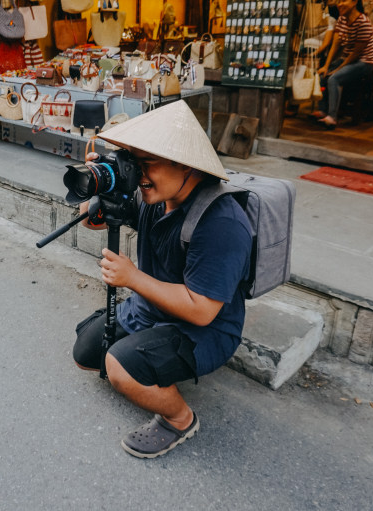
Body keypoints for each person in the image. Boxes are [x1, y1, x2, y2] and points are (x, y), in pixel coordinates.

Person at [72, 101, 253, 459]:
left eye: (147, 163)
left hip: (204, 330)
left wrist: (133, 278)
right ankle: (144, 358)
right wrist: (97, 201)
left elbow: (202, 311)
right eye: (134, 162)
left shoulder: (221, 222)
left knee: (119, 368)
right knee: (85, 353)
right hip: (152, 309)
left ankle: (180, 419)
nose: (138, 174)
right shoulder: (155, 196)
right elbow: (96, 214)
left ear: (183, 162)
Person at [313, 0, 373, 128]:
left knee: (334, 79)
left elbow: (356, 54)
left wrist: (338, 69)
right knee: (321, 75)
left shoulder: (363, 22)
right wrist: (326, 66)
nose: (339, 4)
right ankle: (322, 110)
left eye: (344, 1)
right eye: (339, 1)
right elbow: (335, 45)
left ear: (353, 2)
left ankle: (332, 117)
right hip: (347, 58)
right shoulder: (342, 19)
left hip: (364, 62)